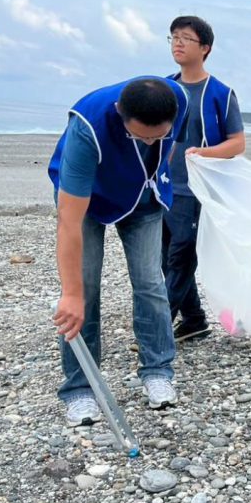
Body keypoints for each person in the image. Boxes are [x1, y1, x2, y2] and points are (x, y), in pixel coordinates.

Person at [49, 77, 188, 425]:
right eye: (141, 137)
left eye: (158, 136)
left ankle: (158, 372)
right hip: (88, 199)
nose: (150, 142)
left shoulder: (178, 100)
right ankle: (80, 389)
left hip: (144, 197)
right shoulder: (88, 129)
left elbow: (165, 151)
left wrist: (155, 161)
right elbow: (69, 222)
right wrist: (70, 293)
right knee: (85, 291)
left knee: (150, 284)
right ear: (119, 114)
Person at [163, 16, 246, 342]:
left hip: (199, 191)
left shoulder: (220, 94)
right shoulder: (165, 88)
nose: (177, 43)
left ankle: (156, 328)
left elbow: (237, 143)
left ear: (205, 48)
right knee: (164, 257)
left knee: (180, 257)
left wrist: (202, 154)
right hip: (164, 189)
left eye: (185, 38)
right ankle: (195, 319)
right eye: (172, 38)